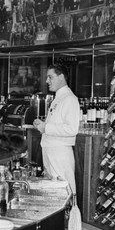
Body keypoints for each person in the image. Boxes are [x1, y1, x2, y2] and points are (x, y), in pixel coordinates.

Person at [33, 63, 80, 194]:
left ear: (61, 77)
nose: (47, 81)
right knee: (52, 194)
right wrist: (42, 125)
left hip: (60, 154)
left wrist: (46, 127)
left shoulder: (70, 99)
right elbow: (58, 124)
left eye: (50, 77)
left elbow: (72, 129)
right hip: (51, 151)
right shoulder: (59, 98)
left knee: (63, 194)